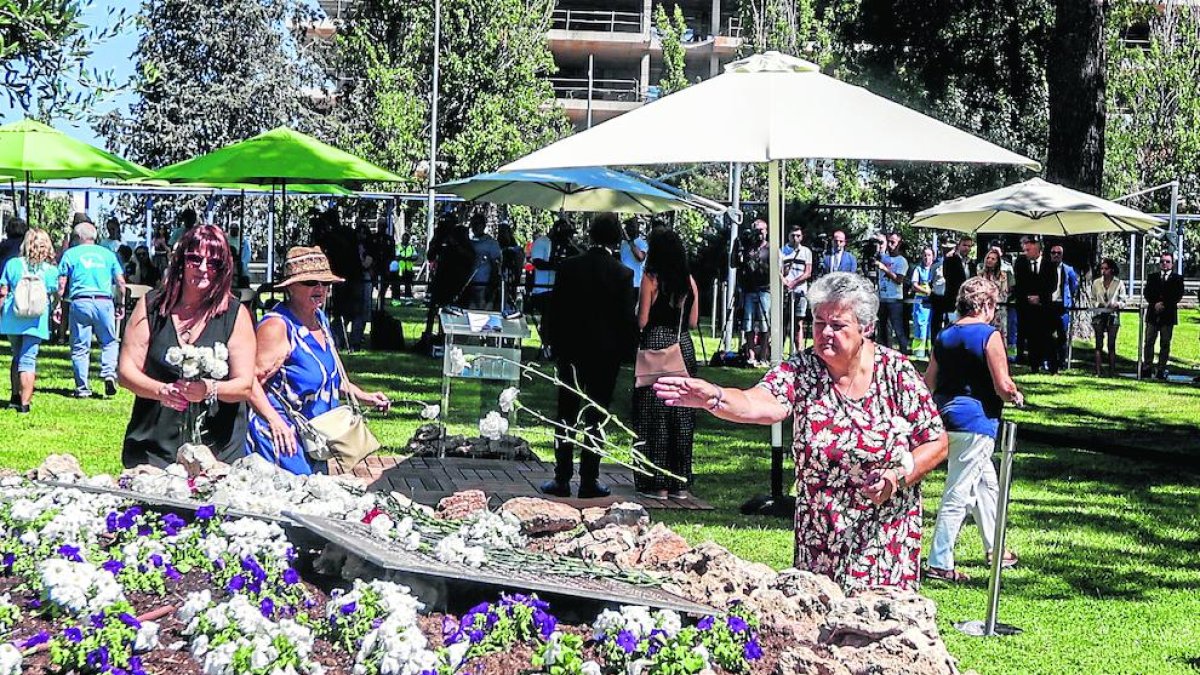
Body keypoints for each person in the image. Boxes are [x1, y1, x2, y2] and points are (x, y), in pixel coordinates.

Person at [654, 272, 948, 590]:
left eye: (837, 325)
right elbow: (758, 403)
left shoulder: (896, 372)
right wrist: (716, 396)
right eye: (819, 323)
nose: (825, 333)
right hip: (820, 543)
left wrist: (897, 478)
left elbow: (936, 441)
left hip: (886, 542)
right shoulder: (801, 371)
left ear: (866, 328)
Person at [118, 225, 256, 468]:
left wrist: (209, 389)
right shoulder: (151, 306)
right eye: (195, 259)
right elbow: (126, 372)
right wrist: (160, 391)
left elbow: (244, 385)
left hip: (217, 452)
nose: (203, 269)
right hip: (153, 448)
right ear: (180, 260)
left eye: (213, 263)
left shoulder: (236, 314)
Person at [245, 247, 390, 474]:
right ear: (291, 287)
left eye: (326, 283)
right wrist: (274, 421)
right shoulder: (278, 326)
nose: (320, 289)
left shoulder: (319, 319)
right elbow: (250, 381)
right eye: (311, 282)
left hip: (316, 438)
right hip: (282, 440)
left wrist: (364, 396)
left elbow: (327, 377)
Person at [923, 277, 1023, 582]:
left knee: (986, 486)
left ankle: (997, 548)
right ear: (986, 305)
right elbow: (1002, 384)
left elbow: (929, 381)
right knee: (960, 492)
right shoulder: (989, 335)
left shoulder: (945, 335)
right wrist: (1016, 396)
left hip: (945, 418)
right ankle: (939, 561)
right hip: (976, 422)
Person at [540, 214, 636, 500]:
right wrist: (628, 352)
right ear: (616, 239)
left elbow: (555, 309)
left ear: (590, 235)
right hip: (605, 354)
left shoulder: (569, 267)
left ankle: (561, 476)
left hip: (571, 349)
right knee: (597, 414)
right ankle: (589, 479)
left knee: (566, 413)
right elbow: (625, 319)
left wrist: (551, 341)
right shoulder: (622, 274)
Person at [633, 230, 700, 499]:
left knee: (653, 416)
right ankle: (680, 482)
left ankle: (656, 482)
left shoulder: (651, 279)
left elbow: (642, 320)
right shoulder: (690, 282)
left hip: (657, 346)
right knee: (682, 415)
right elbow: (694, 322)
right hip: (682, 347)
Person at [58, 219, 126, 398]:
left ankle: (82, 388)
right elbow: (120, 282)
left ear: (78, 237)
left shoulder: (70, 254)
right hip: (104, 302)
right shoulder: (108, 254)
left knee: (80, 347)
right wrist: (121, 302)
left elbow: (61, 283)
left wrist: (58, 304)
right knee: (110, 341)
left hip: (80, 301)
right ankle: (109, 373)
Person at [0, 228, 61, 413]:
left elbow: (3, 290)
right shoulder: (50, 270)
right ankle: (25, 405)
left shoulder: (13, 264)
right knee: (28, 359)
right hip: (37, 318)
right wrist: (57, 307)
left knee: (16, 355)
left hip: (13, 315)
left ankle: (14, 397)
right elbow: (55, 292)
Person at [1012, 236, 1056, 374]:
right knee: (1030, 337)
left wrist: (1040, 298)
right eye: (1024, 250)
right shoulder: (1020, 262)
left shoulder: (1049, 264)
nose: (1025, 252)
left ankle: (1052, 366)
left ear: (1037, 249)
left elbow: (1052, 284)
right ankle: (1033, 366)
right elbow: (1019, 284)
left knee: (1047, 336)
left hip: (1044, 307)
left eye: (1028, 249)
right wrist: (1027, 298)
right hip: (1026, 307)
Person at [733, 219, 771, 364]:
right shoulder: (748, 248)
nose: (759, 234)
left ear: (766, 231)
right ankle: (751, 356)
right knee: (747, 323)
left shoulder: (769, 248)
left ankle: (763, 355)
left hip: (764, 290)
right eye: (756, 231)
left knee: (764, 324)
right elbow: (735, 264)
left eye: (761, 231)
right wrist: (737, 246)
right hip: (749, 290)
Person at [1142, 251, 1184, 380]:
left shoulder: (1177, 278)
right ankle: (1147, 367)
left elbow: (1177, 295)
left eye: (1167, 261)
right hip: (1153, 314)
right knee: (1149, 341)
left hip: (1168, 315)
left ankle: (1161, 369)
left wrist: (1164, 304)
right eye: (1162, 261)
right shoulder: (1153, 277)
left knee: (1165, 343)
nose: (1164, 264)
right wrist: (1155, 303)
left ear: (1172, 263)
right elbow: (1147, 292)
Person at [873, 232, 909, 355]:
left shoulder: (902, 261)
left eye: (893, 242)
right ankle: (885, 353)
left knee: (898, 329)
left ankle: (904, 353)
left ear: (899, 244)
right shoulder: (884, 257)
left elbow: (899, 280)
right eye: (888, 241)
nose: (890, 244)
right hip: (882, 299)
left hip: (895, 300)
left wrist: (884, 269)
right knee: (882, 329)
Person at [932, 235, 973, 342]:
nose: (967, 248)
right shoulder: (950, 260)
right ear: (959, 245)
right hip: (952, 299)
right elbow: (948, 277)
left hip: (967, 301)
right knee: (950, 328)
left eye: (969, 246)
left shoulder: (971, 263)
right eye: (964, 245)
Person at [1090, 258, 1126, 377]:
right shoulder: (1096, 283)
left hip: (1112, 314)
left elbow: (1123, 301)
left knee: (1111, 344)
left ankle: (1112, 372)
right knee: (1098, 344)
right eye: (1102, 268)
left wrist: (1117, 304)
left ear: (1112, 269)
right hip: (1099, 314)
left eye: (1106, 269)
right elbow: (1092, 299)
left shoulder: (1118, 283)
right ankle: (1098, 371)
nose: (1103, 271)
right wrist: (1097, 304)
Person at [781, 225, 813, 354]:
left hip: (800, 291)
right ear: (788, 236)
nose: (795, 238)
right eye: (793, 235)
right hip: (785, 291)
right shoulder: (782, 251)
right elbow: (778, 271)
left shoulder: (806, 252)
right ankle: (779, 351)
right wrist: (785, 283)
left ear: (802, 237)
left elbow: (808, 272)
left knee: (798, 322)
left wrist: (794, 282)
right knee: (783, 322)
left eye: (798, 236)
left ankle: (798, 352)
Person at [1048, 244, 1079, 368]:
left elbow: (1074, 286)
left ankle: (1061, 360)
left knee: (1062, 335)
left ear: (1062, 255)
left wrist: (1067, 298)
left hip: (1063, 306)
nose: (1056, 255)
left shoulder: (1068, 269)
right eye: (1053, 252)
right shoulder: (1046, 268)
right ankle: (1049, 361)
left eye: (1058, 253)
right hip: (1049, 304)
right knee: (1048, 334)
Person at [465, 214, 501, 310]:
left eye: (478, 224)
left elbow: (496, 266)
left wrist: (492, 286)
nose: (475, 227)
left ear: (484, 225)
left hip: (485, 285)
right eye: (473, 224)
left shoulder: (491, 243)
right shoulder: (468, 243)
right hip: (469, 284)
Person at [978, 247, 1010, 344]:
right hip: (983, 309)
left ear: (997, 261)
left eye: (993, 259)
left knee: (999, 335)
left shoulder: (1003, 275)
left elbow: (1004, 294)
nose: (990, 260)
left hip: (998, 309)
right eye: (988, 258)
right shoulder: (980, 274)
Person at [908, 246, 935, 357]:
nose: (926, 257)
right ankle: (919, 352)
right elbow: (914, 285)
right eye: (924, 255)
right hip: (920, 302)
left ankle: (930, 351)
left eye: (929, 255)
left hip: (933, 302)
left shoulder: (936, 269)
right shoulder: (918, 269)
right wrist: (926, 291)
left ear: (933, 257)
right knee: (920, 326)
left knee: (931, 326)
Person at [619, 217, 649, 308]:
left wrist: (630, 242)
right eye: (627, 226)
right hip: (623, 282)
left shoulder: (642, 243)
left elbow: (640, 257)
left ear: (637, 228)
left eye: (631, 226)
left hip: (635, 284)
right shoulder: (623, 243)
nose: (628, 229)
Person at [393, 232, 418, 300]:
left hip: (408, 269)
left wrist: (410, 258)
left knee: (408, 285)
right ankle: (396, 300)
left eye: (406, 239)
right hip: (400, 269)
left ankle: (408, 300)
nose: (405, 240)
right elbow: (395, 256)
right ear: (402, 239)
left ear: (408, 239)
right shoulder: (398, 246)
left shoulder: (411, 247)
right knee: (397, 285)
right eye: (404, 239)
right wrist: (401, 258)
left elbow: (415, 257)